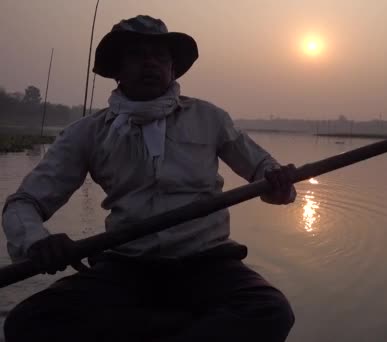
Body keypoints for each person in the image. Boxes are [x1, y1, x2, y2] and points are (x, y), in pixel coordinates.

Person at [2, 15, 296, 342]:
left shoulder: (210, 118)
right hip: (125, 267)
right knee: (28, 322)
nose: (150, 64)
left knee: (270, 310)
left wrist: (278, 182)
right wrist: (37, 241)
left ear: (172, 68)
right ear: (117, 68)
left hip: (208, 264)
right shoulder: (87, 133)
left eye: (160, 56)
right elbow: (22, 204)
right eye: (137, 55)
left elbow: (263, 171)